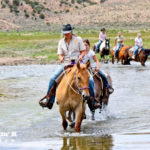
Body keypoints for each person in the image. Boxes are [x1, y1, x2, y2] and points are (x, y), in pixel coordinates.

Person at [39, 24, 99, 109]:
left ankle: (93, 101)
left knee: (90, 80)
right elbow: (59, 54)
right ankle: (49, 100)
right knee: (52, 78)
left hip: (78, 64)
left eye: (67, 33)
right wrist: (61, 58)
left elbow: (83, 51)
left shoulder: (78, 40)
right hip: (66, 64)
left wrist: (81, 56)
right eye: (64, 33)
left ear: (71, 32)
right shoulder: (61, 42)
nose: (66, 34)